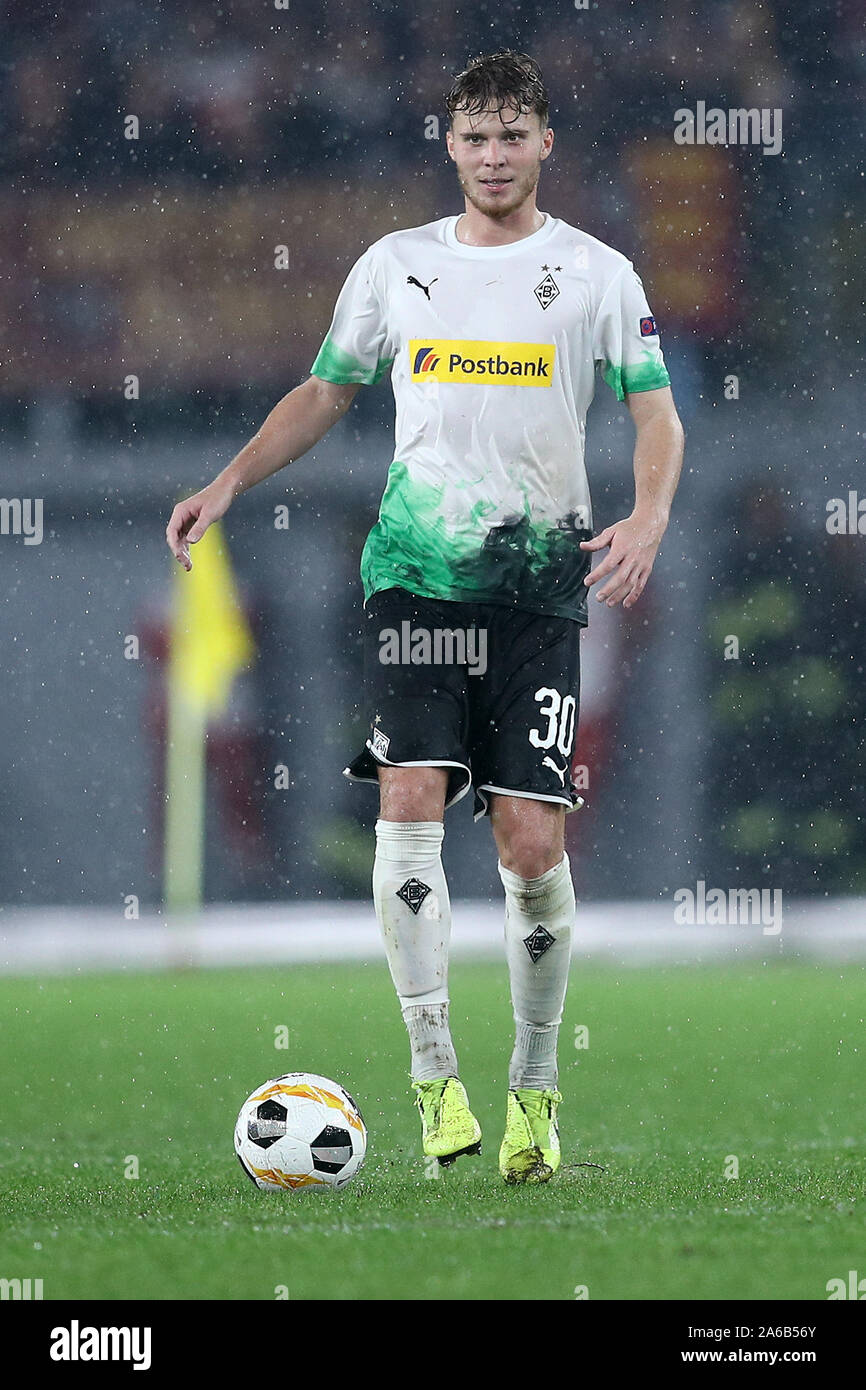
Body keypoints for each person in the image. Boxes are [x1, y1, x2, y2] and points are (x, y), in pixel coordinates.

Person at [166, 50, 684, 1184]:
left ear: (546, 143)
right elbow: (322, 391)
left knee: (529, 843)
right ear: (447, 145)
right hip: (413, 579)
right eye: (474, 136)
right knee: (407, 800)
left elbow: (655, 413)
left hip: (538, 587)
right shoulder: (394, 266)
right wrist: (226, 482)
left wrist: (646, 515)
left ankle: (535, 1090)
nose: (493, 156)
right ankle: (433, 1072)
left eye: (512, 135)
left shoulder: (596, 274)